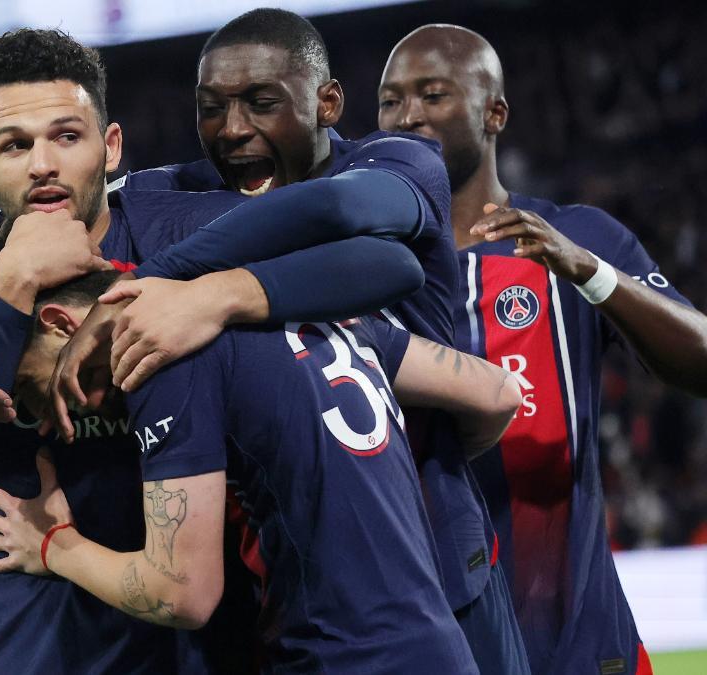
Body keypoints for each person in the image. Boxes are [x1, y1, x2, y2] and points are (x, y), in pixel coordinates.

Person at [0, 28, 432, 673]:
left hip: (192, 643)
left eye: (67, 136)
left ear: (111, 146)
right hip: (26, 650)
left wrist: (221, 294)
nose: (43, 165)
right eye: (15, 146)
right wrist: (8, 285)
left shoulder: (181, 227)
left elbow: (390, 265)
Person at [28, 9, 527, 672]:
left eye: (262, 103)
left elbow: (345, 217)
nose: (234, 130)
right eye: (212, 108)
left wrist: (201, 289)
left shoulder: (398, 160)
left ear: (327, 103)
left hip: (444, 572)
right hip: (286, 591)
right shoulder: (186, 196)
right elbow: (22, 216)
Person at [0, 235, 521, 673]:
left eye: (29, 390)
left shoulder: (160, 356)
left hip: (337, 656)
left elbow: (183, 593)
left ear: (57, 322)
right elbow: (497, 394)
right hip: (438, 646)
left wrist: (54, 546)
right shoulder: (311, 309)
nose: (50, 416)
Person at [378, 24, 707, 675]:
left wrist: (592, 274)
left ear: (493, 112)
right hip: (430, 647)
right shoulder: (362, 267)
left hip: (582, 647)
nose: (407, 116)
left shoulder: (576, 237)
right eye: (390, 101)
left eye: (433, 94)